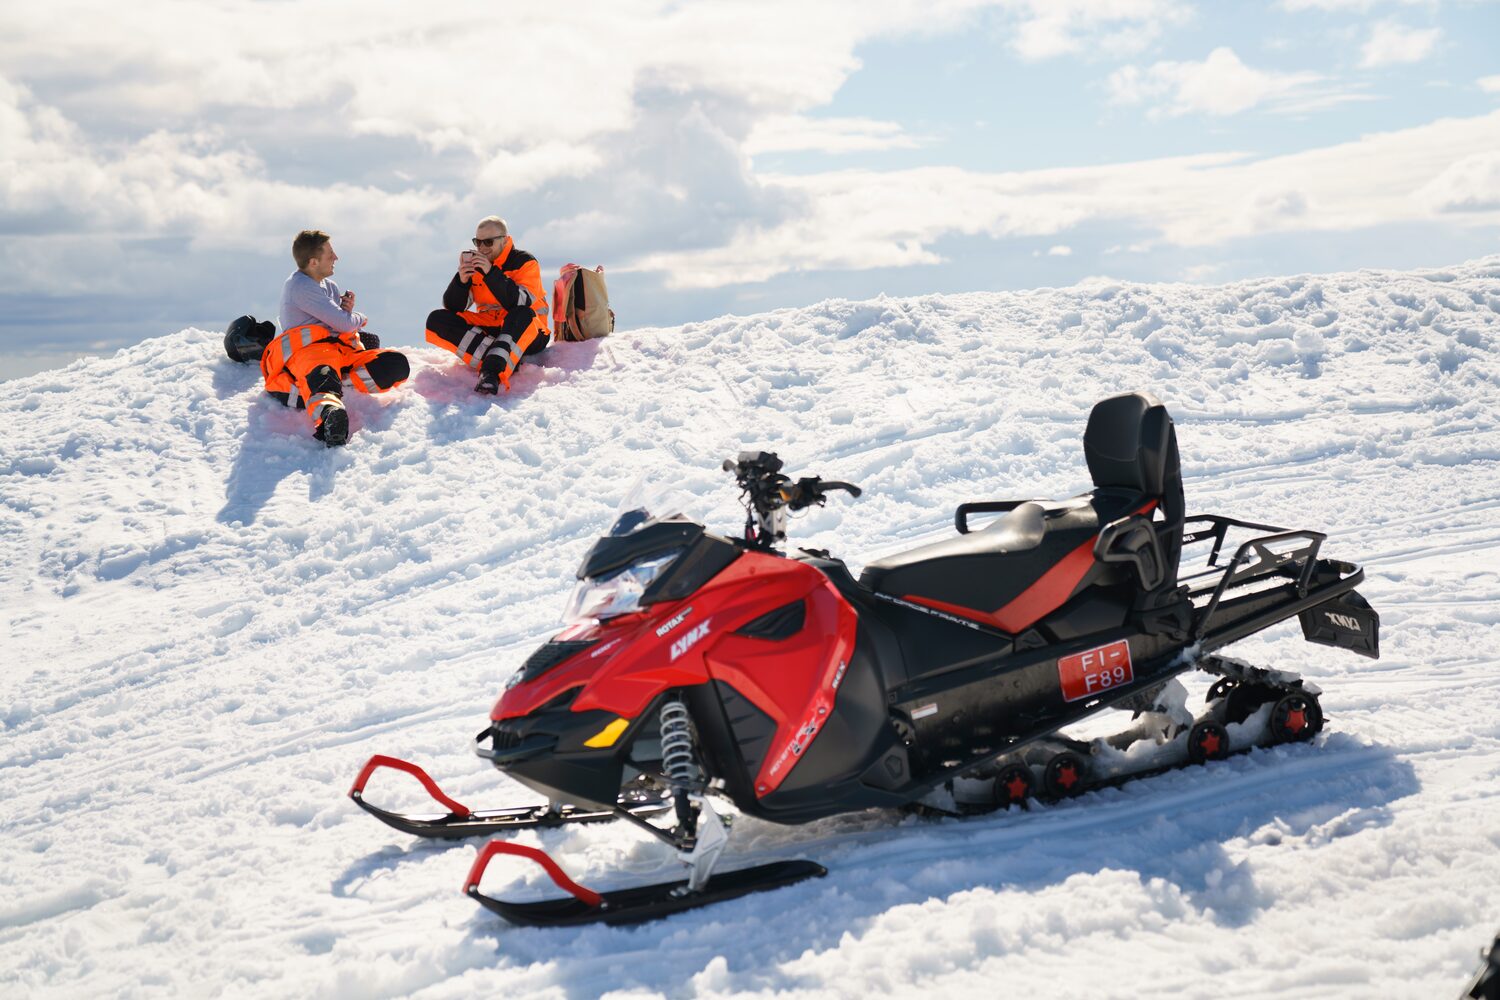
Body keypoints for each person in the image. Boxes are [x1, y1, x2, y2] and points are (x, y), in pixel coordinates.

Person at [266, 230, 409, 446]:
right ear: (313, 262)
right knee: (323, 376)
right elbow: (344, 323)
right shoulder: (300, 286)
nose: (336, 258)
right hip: (310, 354)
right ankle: (330, 418)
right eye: (330, 254)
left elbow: (340, 322)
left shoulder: (329, 286)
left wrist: (347, 313)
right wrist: (357, 317)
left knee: (395, 364)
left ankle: (330, 386)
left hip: (339, 353)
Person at [424, 216, 550, 394]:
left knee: (521, 313)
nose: (482, 248)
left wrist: (491, 273)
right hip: (491, 326)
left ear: (504, 240)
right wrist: (461, 281)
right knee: (436, 320)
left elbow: (521, 302)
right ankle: (502, 357)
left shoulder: (525, 261)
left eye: (488, 242)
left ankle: (492, 372)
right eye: (478, 242)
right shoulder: (476, 264)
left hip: (529, 330)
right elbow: (454, 308)